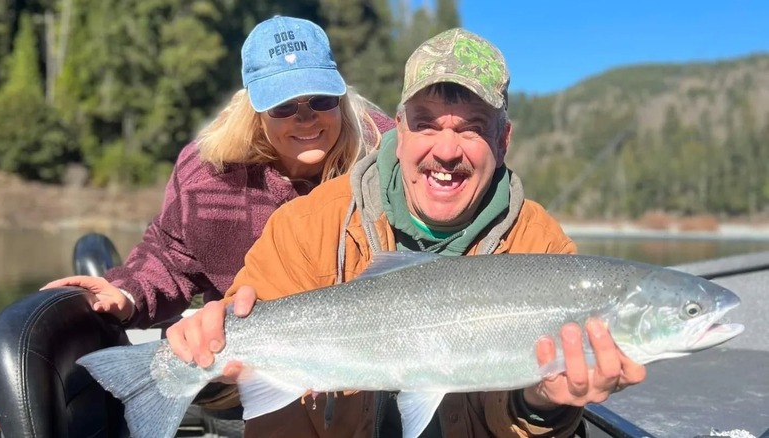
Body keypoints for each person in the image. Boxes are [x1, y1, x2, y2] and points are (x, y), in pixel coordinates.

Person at [166, 28, 647, 437]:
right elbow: (238, 388)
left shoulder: (542, 248)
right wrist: (203, 362)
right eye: (426, 124)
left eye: (472, 129)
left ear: (503, 141)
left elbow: (531, 423)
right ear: (398, 129)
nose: (445, 150)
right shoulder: (307, 227)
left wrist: (544, 404)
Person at [42, 16, 394, 328]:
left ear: (341, 95)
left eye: (321, 99)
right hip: (249, 356)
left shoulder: (390, 152)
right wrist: (125, 293)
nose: (306, 118)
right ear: (254, 110)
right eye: (283, 105)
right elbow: (171, 258)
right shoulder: (209, 172)